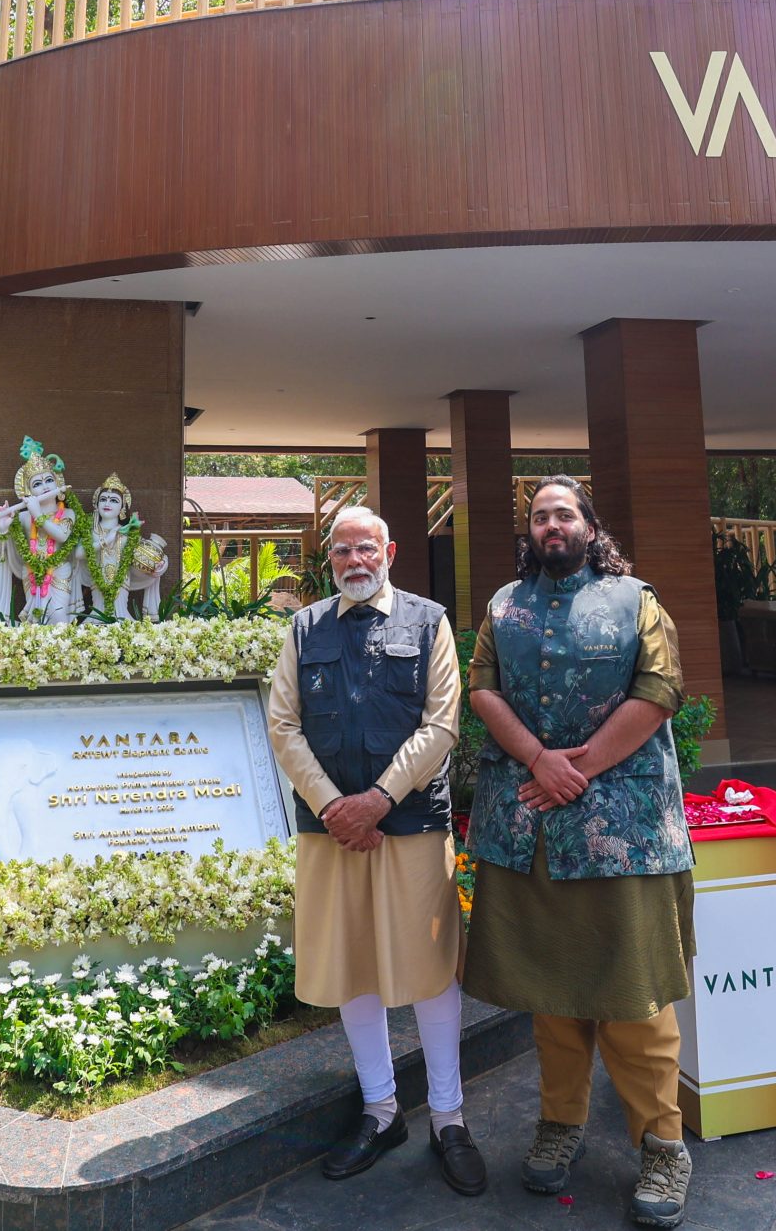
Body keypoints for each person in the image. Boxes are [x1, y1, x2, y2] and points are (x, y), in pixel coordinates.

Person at [463, 478, 696, 1228]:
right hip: (530, 827)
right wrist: (539, 759)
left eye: (564, 513)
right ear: (529, 532)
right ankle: (561, 1123)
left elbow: (660, 690)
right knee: (552, 994)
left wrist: (579, 768)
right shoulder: (504, 605)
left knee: (634, 997)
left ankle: (663, 1146)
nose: (551, 524)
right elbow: (482, 688)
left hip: (624, 833)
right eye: (539, 516)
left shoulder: (636, 600)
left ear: (590, 526)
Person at [263, 505, 487, 1196]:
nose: (354, 561)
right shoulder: (304, 628)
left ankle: (448, 1117)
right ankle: (381, 1110)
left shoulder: (429, 622)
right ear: (328, 559)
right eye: (342, 551)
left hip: (410, 824)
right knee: (353, 964)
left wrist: (379, 800)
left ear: (389, 552)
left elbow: (442, 724)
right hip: (330, 831)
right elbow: (282, 724)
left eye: (366, 549)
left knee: (431, 971)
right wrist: (335, 806)